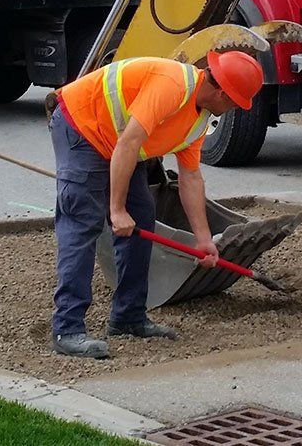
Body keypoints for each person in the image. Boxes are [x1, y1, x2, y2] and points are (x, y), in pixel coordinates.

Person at [47, 50, 263, 358]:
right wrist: (116, 209)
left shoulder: (199, 120)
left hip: (122, 143)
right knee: (83, 223)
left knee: (143, 217)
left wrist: (204, 240)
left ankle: (128, 318)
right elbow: (129, 142)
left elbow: (190, 178)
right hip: (83, 125)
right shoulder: (172, 85)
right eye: (233, 103)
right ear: (221, 91)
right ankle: (67, 328)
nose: (231, 110)